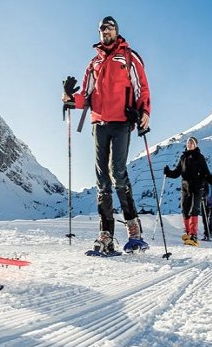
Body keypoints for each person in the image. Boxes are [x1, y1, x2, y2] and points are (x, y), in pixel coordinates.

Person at [63, 16, 151, 254]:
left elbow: (142, 88)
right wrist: (70, 98)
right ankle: (106, 235)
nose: (105, 31)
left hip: (122, 121)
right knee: (102, 181)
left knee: (118, 174)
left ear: (116, 31)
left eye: (109, 28)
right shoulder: (94, 63)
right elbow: (86, 97)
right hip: (99, 123)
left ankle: (134, 230)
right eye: (102, 28)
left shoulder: (129, 58)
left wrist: (144, 112)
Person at [164, 136, 212, 246]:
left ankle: (193, 235)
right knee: (185, 209)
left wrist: (209, 178)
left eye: (191, 143)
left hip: (197, 186)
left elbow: (205, 171)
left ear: (195, 145)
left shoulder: (199, 157)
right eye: (188, 142)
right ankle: (188, 232)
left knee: (194, 209)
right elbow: (177, 172)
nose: (189, 144)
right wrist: (168, 173)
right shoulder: (183, 157)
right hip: (185, 186)